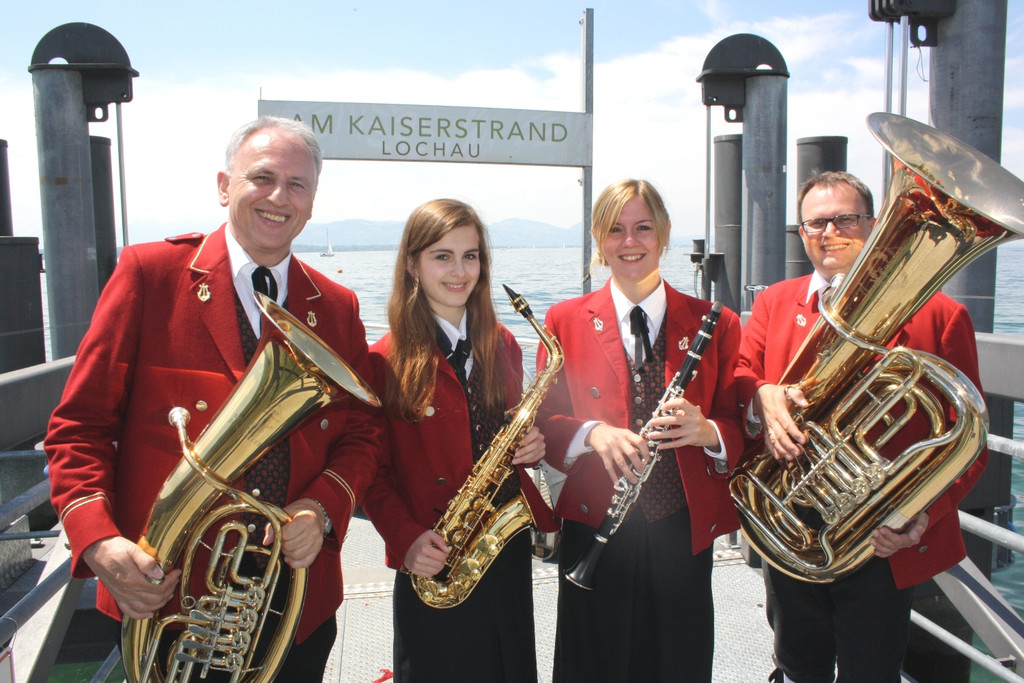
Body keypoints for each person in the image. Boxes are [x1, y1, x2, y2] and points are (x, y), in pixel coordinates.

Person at [45, 116, 381, 679]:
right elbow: (79, 428)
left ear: (312, 203)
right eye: (262, 177)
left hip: (293, 600)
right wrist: (98, 542)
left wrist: (321, 508)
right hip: (167, 597)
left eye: (297, 185)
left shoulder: (337, 304)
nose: (279, 197)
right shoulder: (150, 274)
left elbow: (362, 433)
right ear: (225, 186)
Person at [736, 170, 989, 683]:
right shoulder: (774, 303)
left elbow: (969, 442)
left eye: (845, 219)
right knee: (796, 665)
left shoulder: (941, 315)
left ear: (873, 225)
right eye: (815, 223)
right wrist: (762, 395)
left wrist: (922, 516)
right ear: (802, 233)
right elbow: (741, 376)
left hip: (880, 534)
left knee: (871, 672)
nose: (829, 232)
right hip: (791, 520)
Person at [536, 179, 744, 682]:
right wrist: (592, 433)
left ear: (665, 233)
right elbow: (543, 421)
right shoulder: (563, 320)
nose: (629, 242)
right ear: (597, 238)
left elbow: (742, 426)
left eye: (643, 228)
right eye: (615, 230)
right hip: (594, 525)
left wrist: (707, 431)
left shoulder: (715, 322)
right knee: (591, 667)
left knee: (677, 665)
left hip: (681, 530)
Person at [360, 198, 557, 682]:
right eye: (442, 256)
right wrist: (405, 540)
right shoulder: (381, 361)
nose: (459, 271)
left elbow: (512, 432)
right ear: (412, 264)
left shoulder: (502, 343)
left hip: (503, 549)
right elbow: (370, 473)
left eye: (471, 256)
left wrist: (533, 447)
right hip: (434, 556)